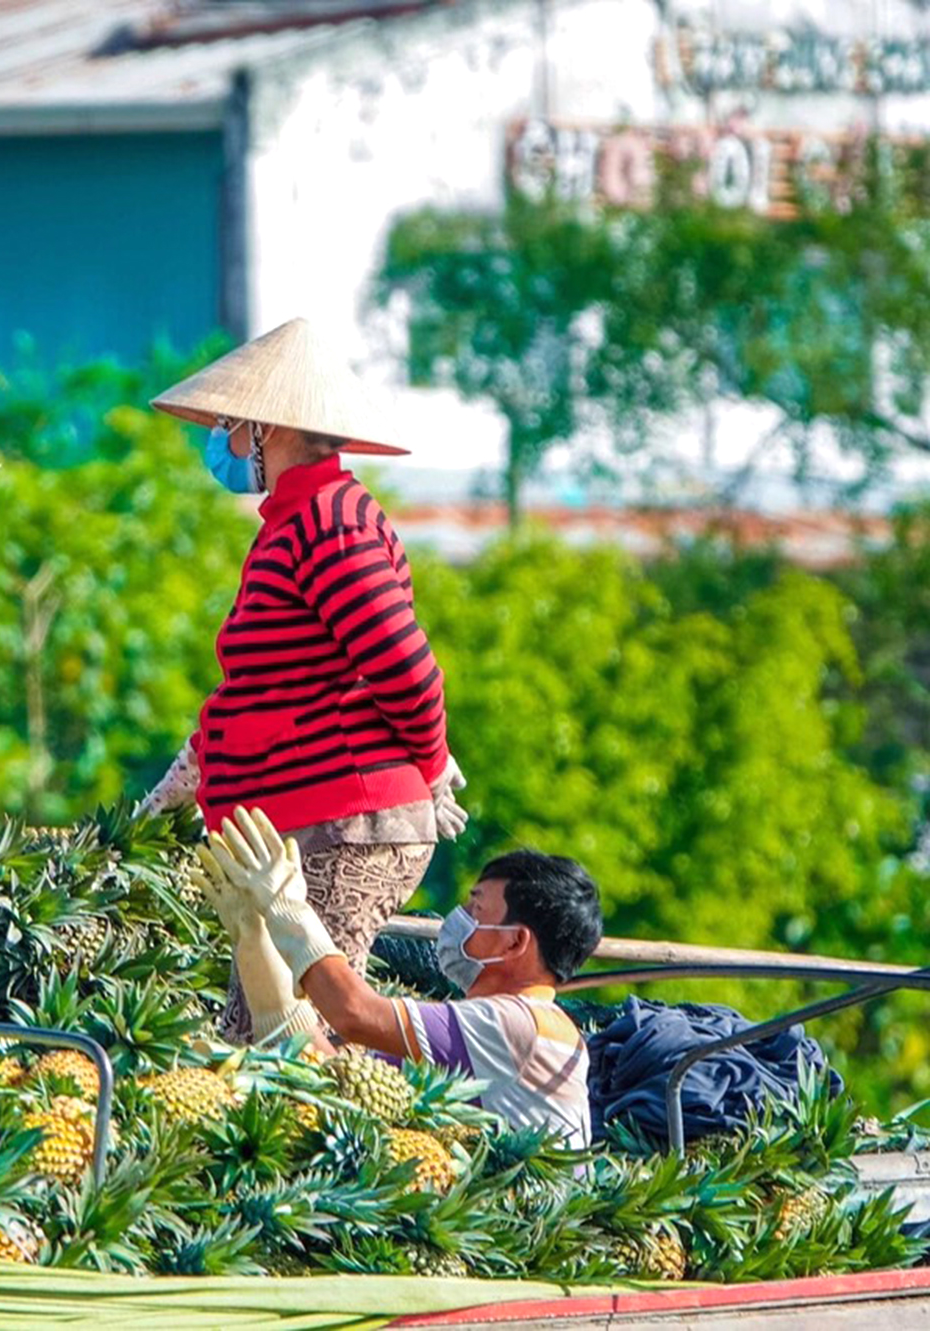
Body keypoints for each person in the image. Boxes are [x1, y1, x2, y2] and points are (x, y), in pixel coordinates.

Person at [136, 317, 467, 1044]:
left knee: (301, 1036)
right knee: (251, 1027)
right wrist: (185, 779)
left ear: (265, 429)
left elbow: (404, 668)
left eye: (228, 423)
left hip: (347, 816)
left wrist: (434, 764)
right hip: (295, 822)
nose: (220, 438)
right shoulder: (291, 523)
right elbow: (263, 688)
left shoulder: (330, 519)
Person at [198, 806, 600, 1147]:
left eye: (476, 911)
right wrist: (252, 939)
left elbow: (352, 1012)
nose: (458, 920)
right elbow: (332, 1074)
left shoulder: (520, 1025)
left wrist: (288, 909)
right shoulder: (496, 1026)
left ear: (514, 944)